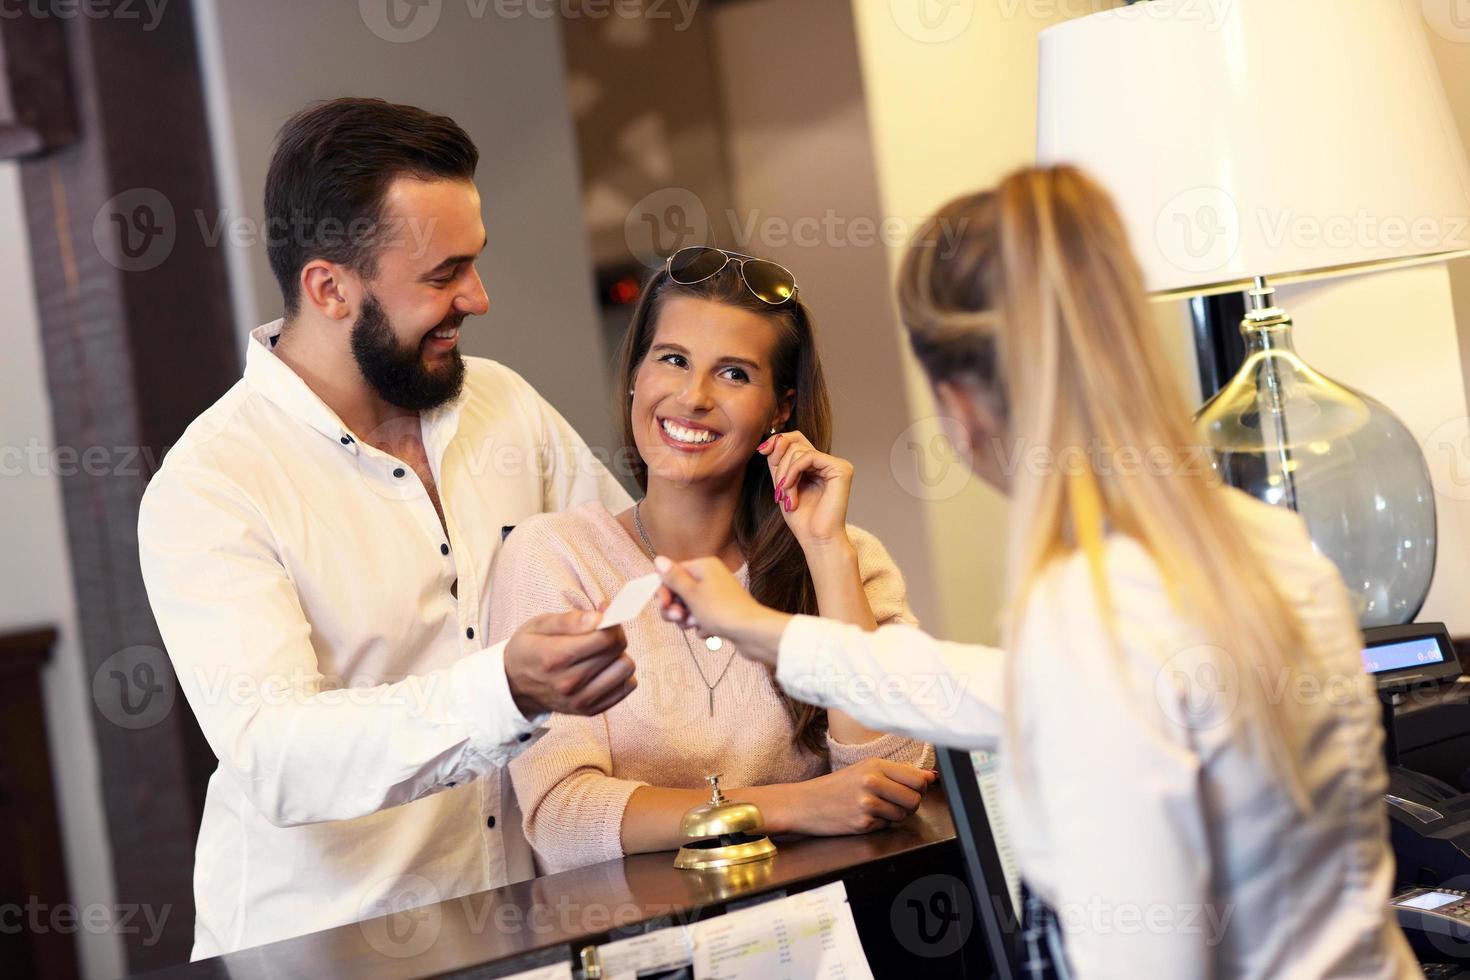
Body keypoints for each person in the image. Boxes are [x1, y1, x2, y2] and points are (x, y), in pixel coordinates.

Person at [650, 168, 1419, 977]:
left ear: (960, 407)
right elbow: (995, 686)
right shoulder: (1265, 544)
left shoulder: (1089, 612)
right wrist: (756, 626)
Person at [137, 98, 637, 958]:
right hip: (327, 949)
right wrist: (505, 691)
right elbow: (278, 756)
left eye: (474, 265)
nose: (478, 299)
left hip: (532, 927)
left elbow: (628, 566)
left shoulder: (504, 405)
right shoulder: (210, 484)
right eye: (444, 275)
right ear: (329, 287)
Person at [490, 246, 934, 874]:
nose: (693, 396)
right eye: (672, 360)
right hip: (649, 953)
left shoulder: (847, 555)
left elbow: (891, 776)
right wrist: (791, 806)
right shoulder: (556, 556)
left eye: (734, 374)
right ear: (637, 375)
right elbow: (561, 816)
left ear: (780, 408)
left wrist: (827, 551)